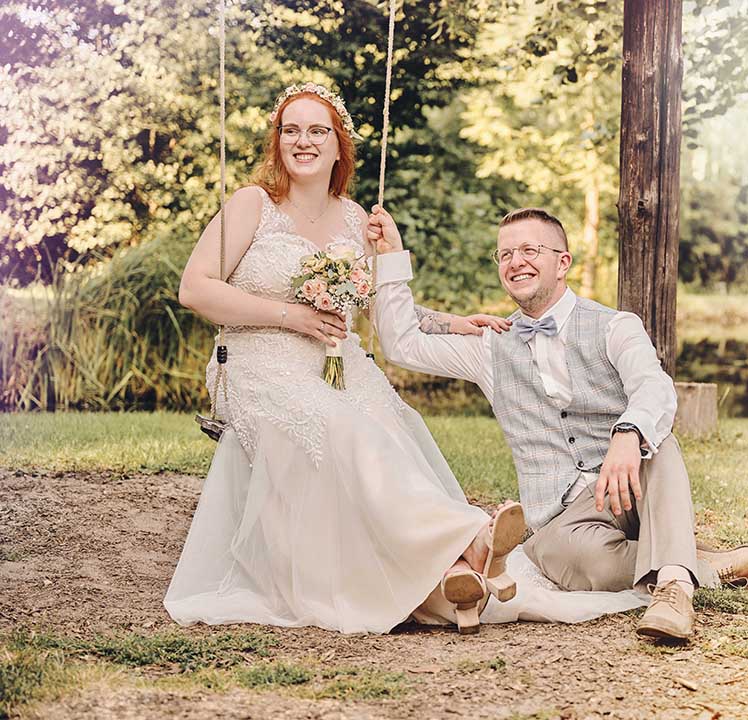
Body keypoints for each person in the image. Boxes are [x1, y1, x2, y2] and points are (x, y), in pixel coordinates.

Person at [164, 82, 535, 635]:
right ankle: (472, 540)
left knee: (389, 424)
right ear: (277, 142)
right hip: (258, 359)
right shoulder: (252, 205)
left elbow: (379, 309)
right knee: (347, 429)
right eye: (291, 130)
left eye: (318, 131)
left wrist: (450, 320)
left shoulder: (357, 218)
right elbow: (195, 288)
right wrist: (290, 317)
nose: (304, 141)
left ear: (340, 147)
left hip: (337, 360)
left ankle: (453, 579)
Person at [369, 207, 748, 641]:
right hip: (564, 521)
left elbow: (654, 388)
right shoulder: (488, 346)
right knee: (581, 563)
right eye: (505, 254)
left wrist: (628, 435)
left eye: (530, 250)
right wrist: (392, 256)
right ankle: (696, 562)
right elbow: (402, 343)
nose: (515, 262)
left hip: (632, 488)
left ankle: (674, 594)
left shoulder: (616, 326)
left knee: (658, 443)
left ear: (563, 262)